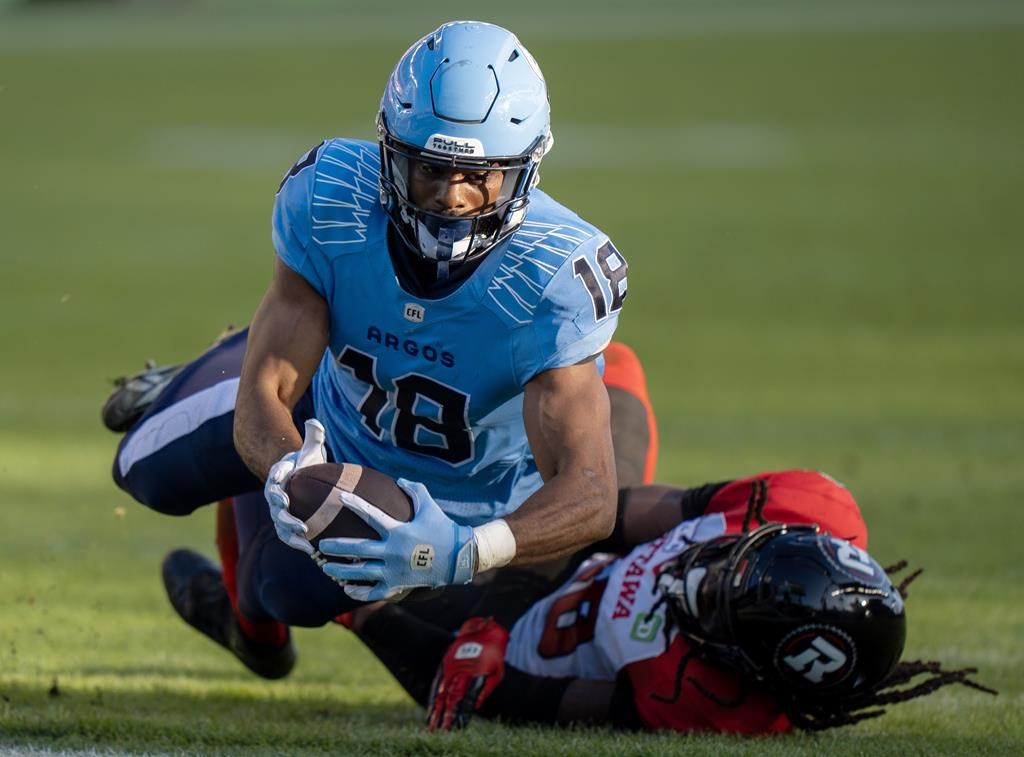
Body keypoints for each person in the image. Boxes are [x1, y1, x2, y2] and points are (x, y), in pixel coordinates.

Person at [103, 21, 653, 678]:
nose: (452, 197)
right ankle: (229, 357)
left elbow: (591, 493)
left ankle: (253, 626)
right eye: (430, 170)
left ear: (524, 172)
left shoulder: (553, 278)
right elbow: (266, 396)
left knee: (279, 587)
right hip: (331, 411)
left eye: (479, 176)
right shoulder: (332, 199)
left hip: (456, 500)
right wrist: (285, 468)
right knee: (142, 469)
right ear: (391, 152)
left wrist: (467, 548)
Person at [339, 470, 996, 733]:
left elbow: (548, 702)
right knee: (610, 380)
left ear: (749, 664)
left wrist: (487, 671)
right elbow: (624, 511)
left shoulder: (710, 697)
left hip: (530, 631)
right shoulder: (809, 504)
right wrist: (499, 538)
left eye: (715, 604)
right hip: (573, 556)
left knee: (340, 584)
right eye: (725, 565)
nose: (696, 576)